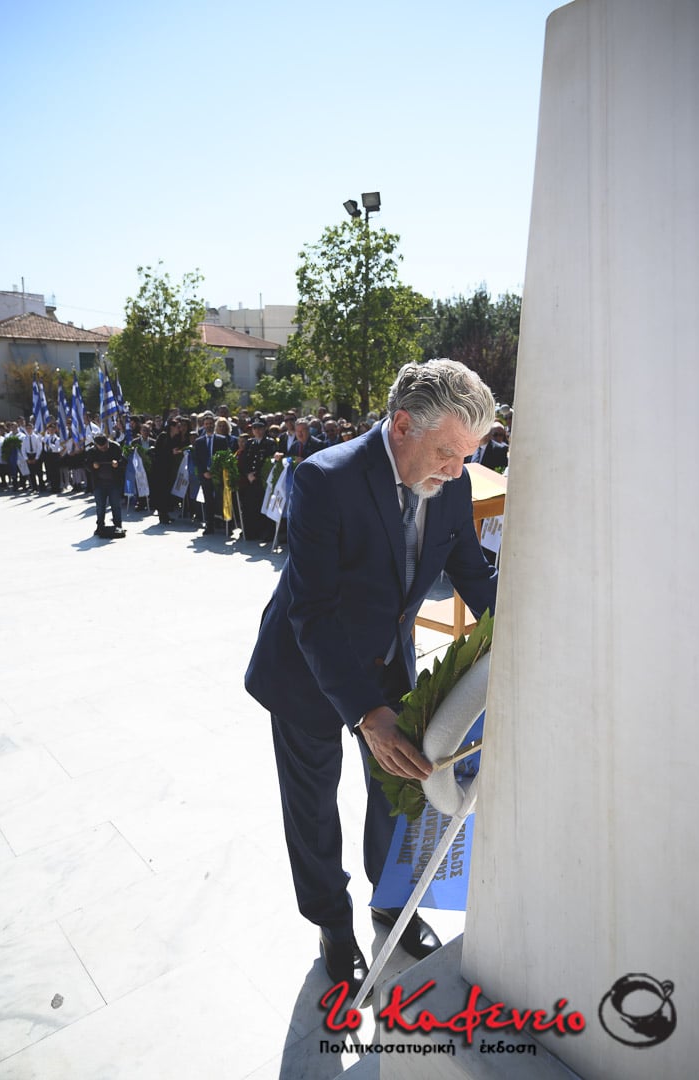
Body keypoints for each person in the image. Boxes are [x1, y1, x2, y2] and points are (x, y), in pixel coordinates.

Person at [245, 358, 498, 995]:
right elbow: (312, 610)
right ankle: (332, 923)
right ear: (403, 425)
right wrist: (366, 714)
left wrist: (530, 635)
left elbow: (472, 572)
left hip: (388, 663)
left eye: (468, 455)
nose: (458, 470)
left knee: (396, 794)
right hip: (305, 669)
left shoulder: (453, 482)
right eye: (447, 452)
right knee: (313, 808)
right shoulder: (324, 478)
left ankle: (392, 902)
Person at [193, 411, 230, 534]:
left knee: (220, 499)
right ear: (203, 425)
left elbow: (225, 457)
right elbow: (197, 459)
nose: (209, 425)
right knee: (208, 500)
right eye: (206, 424)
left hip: (218, 475)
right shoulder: (199, 441)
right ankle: (209, 525)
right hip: (205, 475)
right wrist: (204, 472)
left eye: (210, 423)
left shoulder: (221, 440)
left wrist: (216, 472)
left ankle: (224, 524)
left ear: (214, 425)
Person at [87, 433, 124, 537]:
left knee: (115, 505)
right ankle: (100, 526)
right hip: (99, 483)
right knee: (100, 506)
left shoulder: (115, 447)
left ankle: (118, 525)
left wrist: (118, 463)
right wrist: (93, 466)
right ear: (96, 446)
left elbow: (123, 461)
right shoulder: (91, 451)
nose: (104, 449)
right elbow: (87, 465)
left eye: (105, 447)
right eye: (101, 448)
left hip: (114, 482)